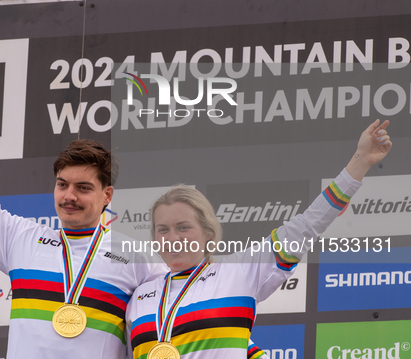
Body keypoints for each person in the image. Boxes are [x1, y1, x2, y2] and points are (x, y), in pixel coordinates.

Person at [0, 55, 167, 358]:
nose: (69, 196)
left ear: (107, 195)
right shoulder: (19, 239)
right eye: (62, 185)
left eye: (83, 188)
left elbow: (176, 322)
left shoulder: (139, 259)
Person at [126, 120, 392, 359]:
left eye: (183, 227)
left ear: (208, 234)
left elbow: (306, 226)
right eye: (163, 230)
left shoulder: (237, 273)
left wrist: (361, 161)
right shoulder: (140, 296)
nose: (173, 238)